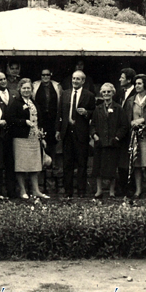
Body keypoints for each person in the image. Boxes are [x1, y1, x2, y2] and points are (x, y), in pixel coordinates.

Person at [55, 70, 96, 198]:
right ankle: (68, 190)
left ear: (83, 81)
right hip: (67, 131)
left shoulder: (89, 95)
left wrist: (86, 112)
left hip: (81, 132)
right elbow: (60, 113)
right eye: (73, 78)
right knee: (67, 162)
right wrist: (58, 130)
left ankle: (81, 190)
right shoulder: (65, 94)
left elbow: (94, 113)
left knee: (82, 163)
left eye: (78, 79)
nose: (75, 81)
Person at [6, 78, 49, 199]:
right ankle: (22, 190)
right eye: (24, 88)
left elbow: (40, 120)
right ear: (19, 89)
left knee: (35, 165)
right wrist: (24, 122)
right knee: (21, 165)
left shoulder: (33, 103)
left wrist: (41, 135)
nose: (26, 90)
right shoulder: (16, 103)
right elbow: (10, 119)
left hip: (34, 138)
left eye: (28, 88)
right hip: (21, 138)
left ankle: (36, 190)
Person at [90, 83, 129, 198]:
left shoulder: (118, 108)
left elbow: (124, 126)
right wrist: (94, 135)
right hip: (100, 142)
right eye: (104, 92)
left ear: (113, 93)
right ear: (101, 94)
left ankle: (112, 191)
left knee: (112, 167)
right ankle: (99, 190)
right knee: (98, 167)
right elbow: (92, 125)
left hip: (113, 143)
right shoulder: (98, 109)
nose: (106, 94)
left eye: (108, 92)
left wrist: (117, 137)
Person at [0, 71, 18, 197]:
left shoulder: (14, 93)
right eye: (0, 80)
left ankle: (11, 191)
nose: (3, 81)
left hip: (12, 132)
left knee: (11, 162)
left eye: (4, 79)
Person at [32, 68, 62, 168]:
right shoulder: (35, 86)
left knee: (53, 140)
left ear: (50, 75)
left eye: (47, 75)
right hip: (40, 117)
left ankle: (53, 163)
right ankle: (41, 163)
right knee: (41, 139)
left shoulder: (56, 86)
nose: (45, 77)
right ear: (40, 76)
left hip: (53, 118)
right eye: (43, 75)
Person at [116, 67, 137, 196]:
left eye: (122, 78)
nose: (120, 80)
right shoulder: (120, 93)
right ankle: (122, 186)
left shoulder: (136, 93)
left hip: (132, 131)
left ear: (129, 80)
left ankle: (131, 187)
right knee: (122, 160)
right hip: (121, 132)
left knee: (131, 160)